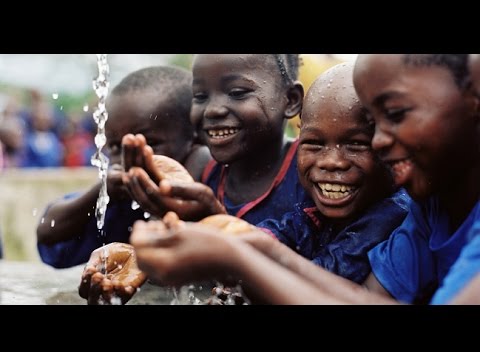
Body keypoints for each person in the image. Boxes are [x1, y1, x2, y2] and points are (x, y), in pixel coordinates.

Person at [130, 54, 480, 305]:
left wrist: (238, 258)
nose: (379, 141)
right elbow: (367, 298)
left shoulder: (396, 211)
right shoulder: (428, 213)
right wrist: (236, 243)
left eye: (396, 115)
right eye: (313, 143)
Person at [37, 66, 211, 271]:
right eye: (114, 146)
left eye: (148, 144)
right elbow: (48, 231)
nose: (125, 158)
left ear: (195, 138)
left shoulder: (210, 186)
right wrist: (102, 191)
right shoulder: (118, 198)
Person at [255, 62, 409, 283]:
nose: (331, 162)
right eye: (314, 144)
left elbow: (328, 275)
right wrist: (243, 239)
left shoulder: (392, 214)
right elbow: (286, 231)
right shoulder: (317, 204)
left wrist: (246, 265)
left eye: (356, 144)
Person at [122, 54, 310, 225]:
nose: (212, 109)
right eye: (200, 96)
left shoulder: (309, 172)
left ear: (291, 100)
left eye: (237, 93)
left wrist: (213, 221)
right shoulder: (201, 171)